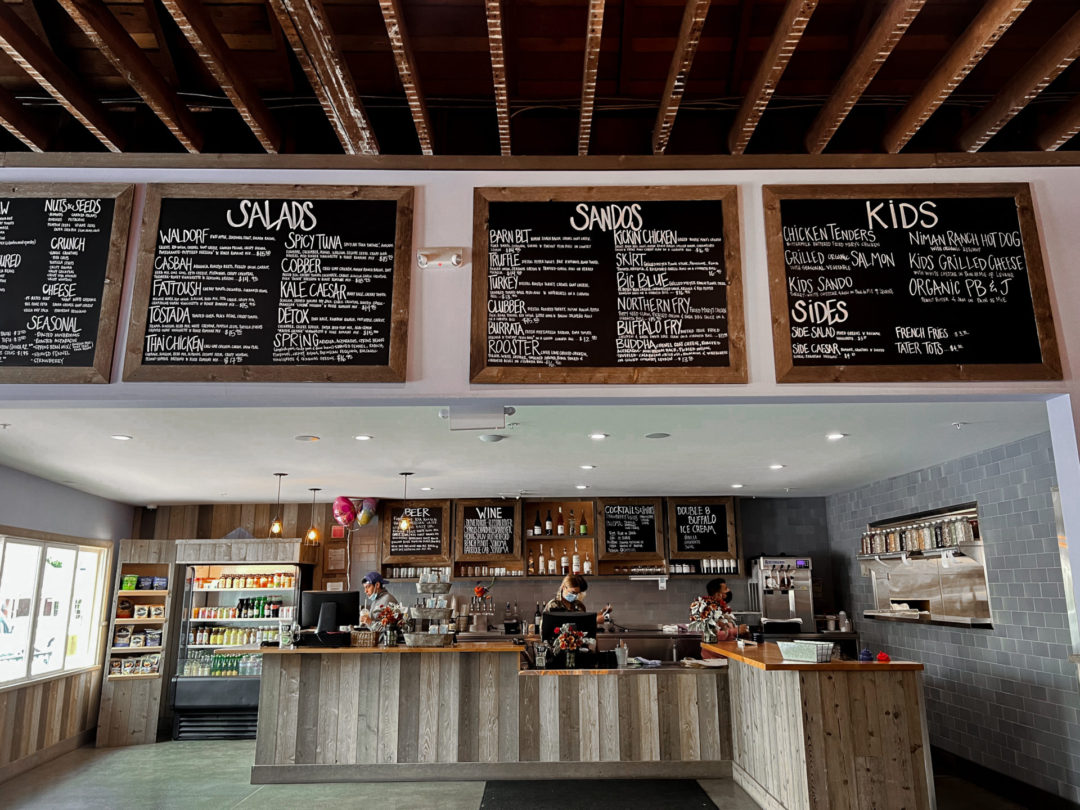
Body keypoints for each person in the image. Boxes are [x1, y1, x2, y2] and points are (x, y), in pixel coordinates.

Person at [544, 574, 612, 624]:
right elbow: (564, 624)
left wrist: (602, 612)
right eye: (573, 592)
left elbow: (583, 620)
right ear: (564, 587)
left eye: (577, 593)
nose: (574, 596)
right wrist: (593, 620)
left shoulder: (579, 605)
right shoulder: (553, 605)